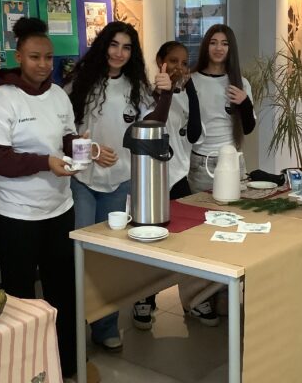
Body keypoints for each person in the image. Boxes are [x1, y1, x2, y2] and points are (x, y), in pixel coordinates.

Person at [0, 17, 77, 379]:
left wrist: (87, 149)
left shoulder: (59, 95)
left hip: (59, 209)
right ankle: (26, 368)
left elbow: (67, 139)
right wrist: (45, 163)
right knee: (21, 296)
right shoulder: (1, 100)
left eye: (49, 57)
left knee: (62, 291)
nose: (43, 64)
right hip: (16, 215)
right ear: (19, 57)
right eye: (35, 57)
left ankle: (65, 363)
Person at [64, 21, 170, 352]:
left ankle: (105, 325)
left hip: (119, 182)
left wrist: (166, 92)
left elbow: (154, 123)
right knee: (80, 256)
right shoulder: (78, 84)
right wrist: (92, 151)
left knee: (106, 259)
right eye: (113, 45)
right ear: (103, 46)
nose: (119, 53)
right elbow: (64, 134)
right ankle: (72, 329)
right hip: (81, 181)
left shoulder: (136, 87)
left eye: (126, 47)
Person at [183, 24, 256, 325]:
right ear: (206, 46)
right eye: (213, 42)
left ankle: (223, 292)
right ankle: (198, 298)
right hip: (202, 163)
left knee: (231, 232)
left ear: (230, 49)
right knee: (201, 233)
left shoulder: (240, 82)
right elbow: (188, 129)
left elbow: (248, 127)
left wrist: (244, 103)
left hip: (233, 163)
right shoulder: (191, 80)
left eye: (224, 43)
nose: (218, 48)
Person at [131, 40, 203, 330]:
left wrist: (190, 88)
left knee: (187, 239)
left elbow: (194, 134)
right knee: (149, 240)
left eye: (184, 63)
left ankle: (194, 298)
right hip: (150, 176)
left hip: (178, 175)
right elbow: (153, 123)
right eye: (173, 61)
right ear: (159, 60)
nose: (178, 67)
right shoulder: (146, 94)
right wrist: (166, 92)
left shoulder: (185, 95)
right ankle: (144, 297)